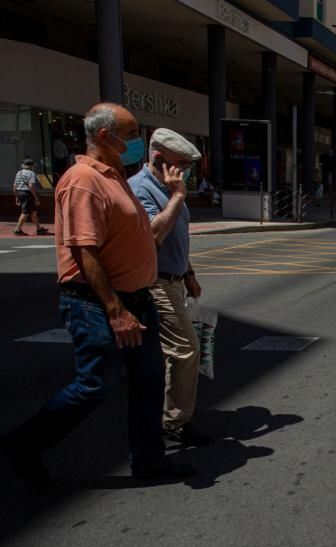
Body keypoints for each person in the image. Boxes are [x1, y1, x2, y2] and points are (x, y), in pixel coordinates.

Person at [0, 103, 197, 488]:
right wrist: (115, 310)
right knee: (95, 385)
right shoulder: (82, 180)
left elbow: (143, 237)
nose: (138, 142)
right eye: (132, 133)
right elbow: (83, 250)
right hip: (99, 302)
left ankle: (149, 460)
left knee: (149, 381)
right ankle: (24, 444)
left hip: (138, 298)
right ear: (106, 137)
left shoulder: (114, 176)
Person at [129, 128, 213, 449]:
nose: (186, 172)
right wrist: (178, 196)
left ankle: (169, 415)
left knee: (172, 354)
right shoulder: (141, 189)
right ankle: (176, 422)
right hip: (156, 281)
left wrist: (189, 271)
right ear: (159, 159)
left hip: (174, 279)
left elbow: (178, 235)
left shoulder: (167, 185)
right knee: (186, 349)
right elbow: (151, 236)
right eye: (182, 163)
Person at [12, 158, 50, 236]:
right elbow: (31, 186)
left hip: (19, 192)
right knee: (25, 212)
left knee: (33, 212)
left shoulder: (19, 173)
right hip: (27, 194)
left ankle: (39, 229)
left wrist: (17, 196)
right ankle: (17, 230)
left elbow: (14, 186)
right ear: (30, 166)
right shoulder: (31, 173)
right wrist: (36, 197)